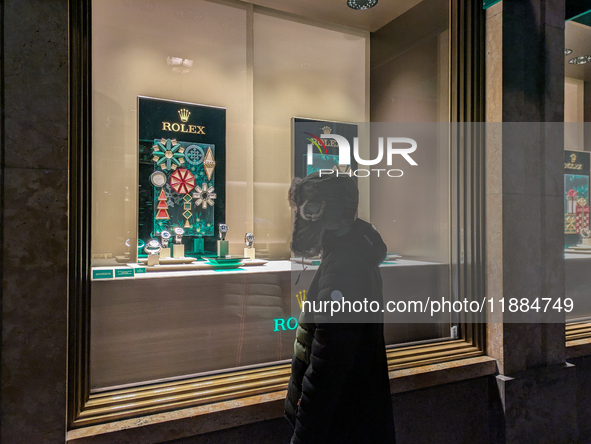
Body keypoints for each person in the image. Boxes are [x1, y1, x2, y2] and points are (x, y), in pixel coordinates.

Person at [284, 171, 396, 444]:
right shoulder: (353, 254)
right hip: (352, 414)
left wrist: (304, 434)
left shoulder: (343, 267)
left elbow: (328, 365)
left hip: (340, 424)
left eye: (309, 210)